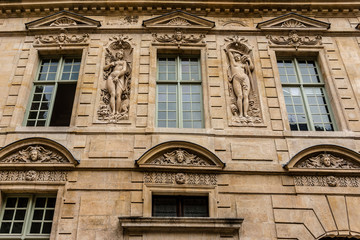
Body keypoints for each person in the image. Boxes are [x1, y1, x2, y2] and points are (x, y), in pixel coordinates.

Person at [225, 48, 254, 118]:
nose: (237, 57)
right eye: (236, 56)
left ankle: (245, 113)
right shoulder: (233, 63)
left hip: (245, 78)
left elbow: (251, 68)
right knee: (240, 96)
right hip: (236, 78)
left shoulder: (243, 65)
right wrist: (240, 51)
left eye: (238, 56)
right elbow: (229, 51)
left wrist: (249, 60)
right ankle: (240, 113)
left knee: (246, 95)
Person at [104, 50, 127, 114]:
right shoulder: (113, 62)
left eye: (121, 54)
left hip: (120, 77)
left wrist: (117, 76)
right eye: (118, 53)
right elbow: (104, 68)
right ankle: (113, 111)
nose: (120, 54)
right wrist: (110, 64)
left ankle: (117, 111)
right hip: (111, 77)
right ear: (116, 55)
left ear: (122, 56)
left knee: (118, 94)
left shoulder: (123, 62)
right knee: (112, 94)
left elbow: (124, 70)